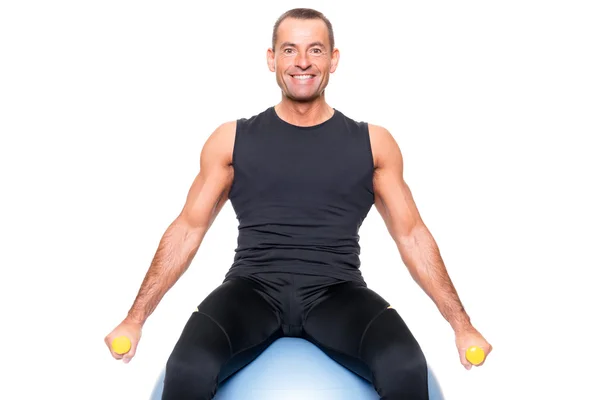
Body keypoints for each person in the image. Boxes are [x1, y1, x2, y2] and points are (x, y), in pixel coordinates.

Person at [105, 7, 492, 400]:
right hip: (251, 289)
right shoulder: (232, 139)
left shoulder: (373, 144)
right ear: (272, 59)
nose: (302, 62)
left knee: (405, 366)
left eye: (316, 50)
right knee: (187, 367)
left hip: (337, 292)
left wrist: (461, 325)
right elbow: (188, 229)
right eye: (289, 50)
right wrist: (135, 319)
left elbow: (412, 236)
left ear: (334, 59)